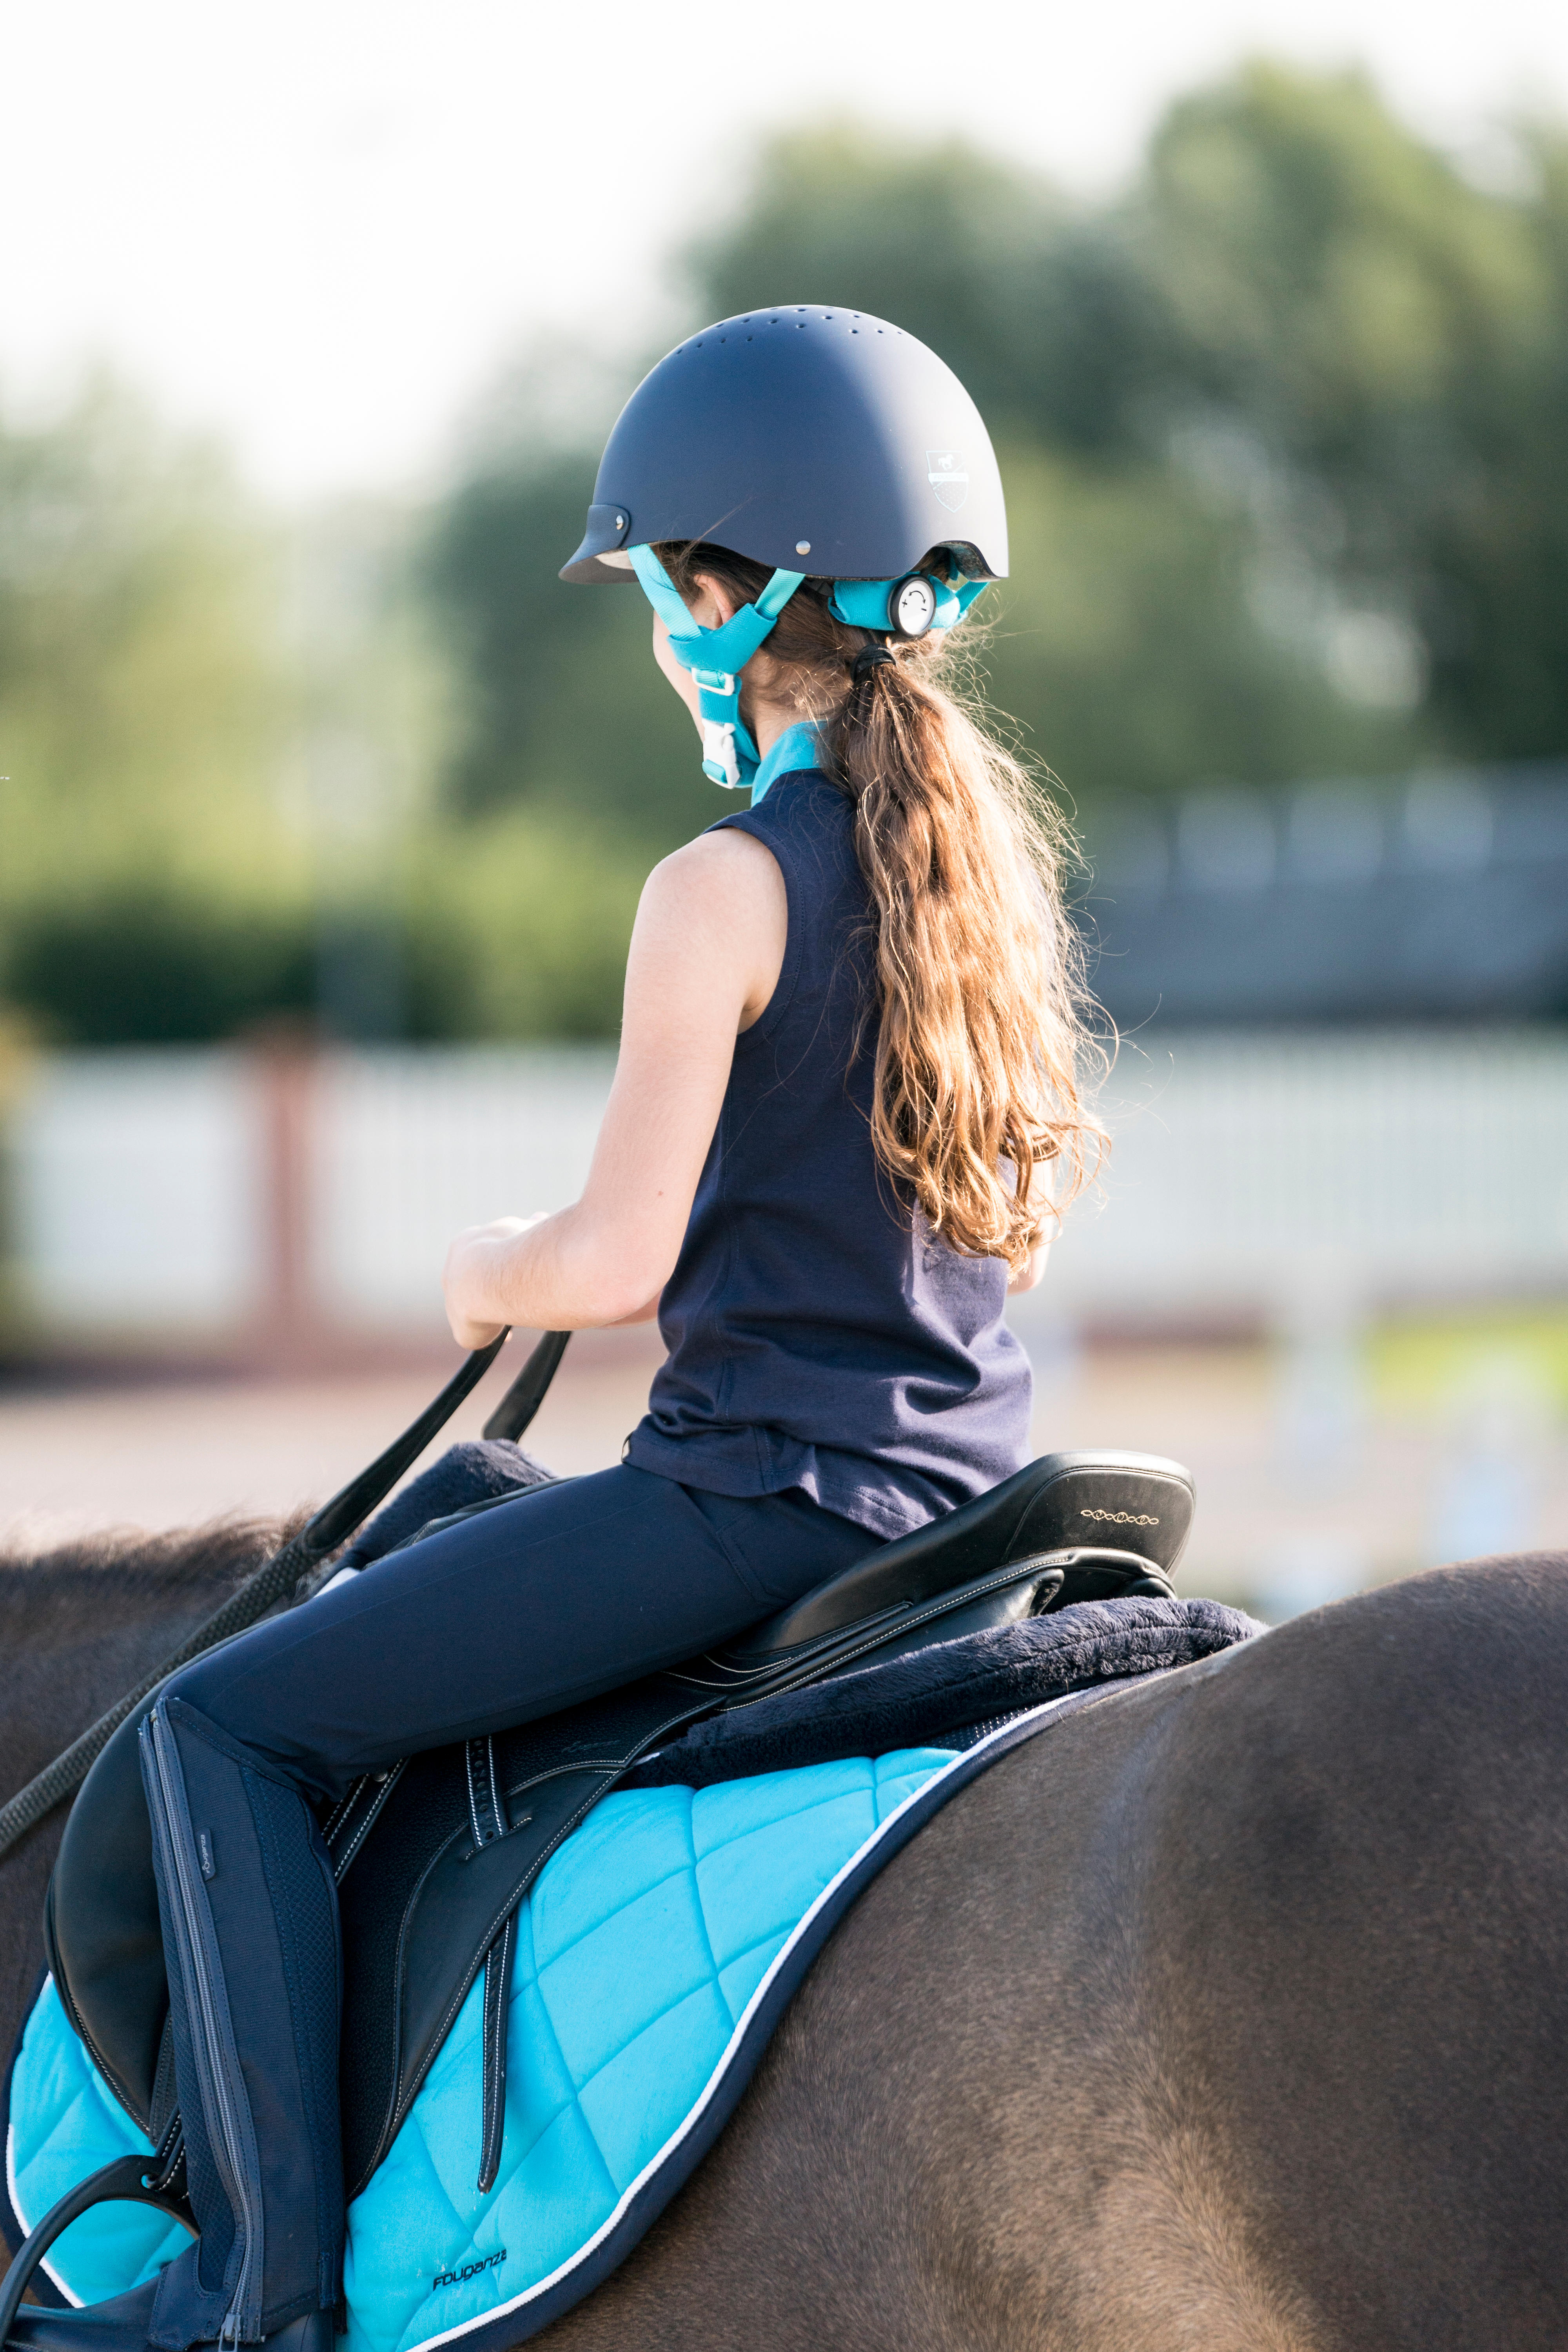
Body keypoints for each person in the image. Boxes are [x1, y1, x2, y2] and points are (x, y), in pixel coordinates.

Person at [23, 308, 1102, 2352]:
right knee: (472, 1508)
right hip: (963, 1494)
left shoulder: (721, 886)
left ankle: (254, 2284)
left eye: (662, 590)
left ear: (728, 591)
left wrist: (481, 1263)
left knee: (220, 1726)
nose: (660, 625)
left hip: (760, 1499)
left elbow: (612, 1261)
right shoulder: (975, 876)